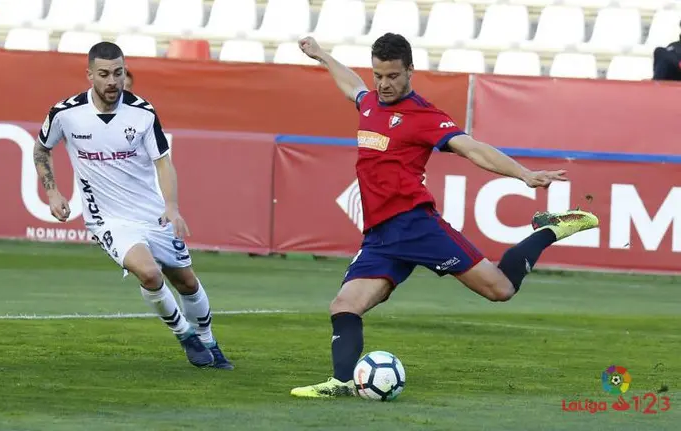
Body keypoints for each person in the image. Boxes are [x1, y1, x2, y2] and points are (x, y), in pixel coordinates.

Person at [290, 33, 599, 398]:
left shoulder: (424, 116)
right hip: (380, 237)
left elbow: (472, 149)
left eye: (393, 76)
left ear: (410, 71)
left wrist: (525, 175)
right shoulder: (370, 103)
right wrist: (322, 55)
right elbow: (351, 85)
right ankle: (342, 382)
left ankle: (549, 229)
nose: (384, 84)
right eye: (379, 76)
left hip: (415, 224)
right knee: (344, 305)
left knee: (500, 289)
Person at [33, 41, 233, 370]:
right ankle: (186, 336)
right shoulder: (65, 114)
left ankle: (209, 341)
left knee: (187, 282)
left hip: (152, 213)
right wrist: (52, 192)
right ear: (89, 75)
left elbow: (163, 162)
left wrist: (172, 206)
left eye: (118, 73)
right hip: (108, 219)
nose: (113, 81)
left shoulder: (142, 112)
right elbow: (41, 149)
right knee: (149, 273)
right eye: (104, 74)